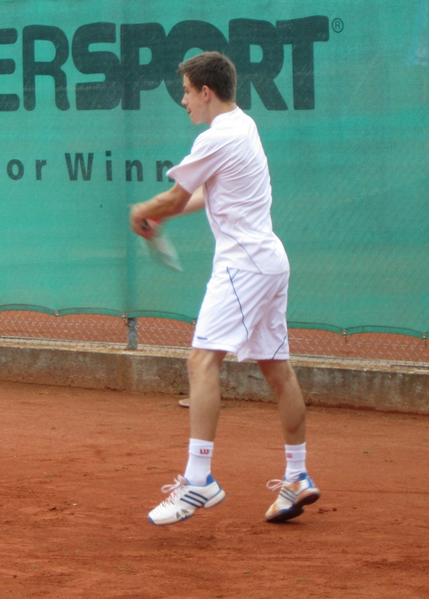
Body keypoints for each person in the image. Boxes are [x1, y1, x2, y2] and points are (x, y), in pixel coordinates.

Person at [128, 51, 319, 526]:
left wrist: (142, 211)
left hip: (243, 266)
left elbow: (175, 196)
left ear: (206, 92)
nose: (184, 100)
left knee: (201, 361)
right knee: (277, 369)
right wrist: (164, 215)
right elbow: (206, 194)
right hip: (270, 263)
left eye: (187, 92)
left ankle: (198, 481)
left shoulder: (215, 137)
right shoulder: (244, 126)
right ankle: (297, 477)